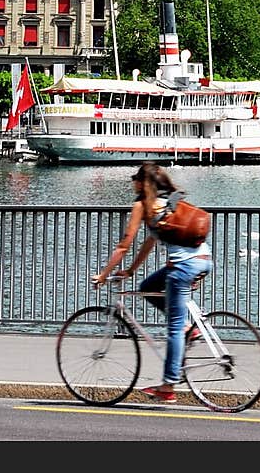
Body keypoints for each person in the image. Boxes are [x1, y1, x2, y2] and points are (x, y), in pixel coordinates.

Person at [91, 161, 212, 403]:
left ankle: (167, 387)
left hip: (183, 267)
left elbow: (124, 245)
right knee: (147, 287)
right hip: (203, 259)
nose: (132, 182)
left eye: (135, 178)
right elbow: (150, 241)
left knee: (175, 328)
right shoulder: (169, 201)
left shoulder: (141, 206)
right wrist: (131, 271)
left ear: (142, 183)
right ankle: (192, 328)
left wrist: (104, 275)